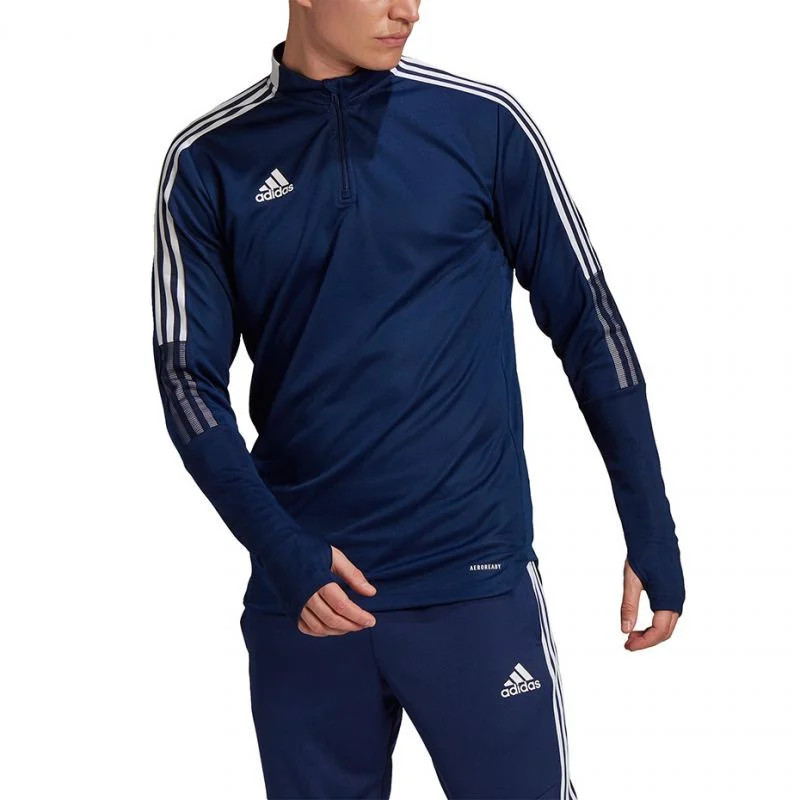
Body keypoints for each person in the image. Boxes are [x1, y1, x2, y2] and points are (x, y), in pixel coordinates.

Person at [150, 1, 685, 797]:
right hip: (306, 598)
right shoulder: (209, 159)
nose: (410, 9)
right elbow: (188, 382)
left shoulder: (483, 124)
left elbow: (588, 323)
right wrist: (279, 549)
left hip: (472, 583)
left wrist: (649, 523)